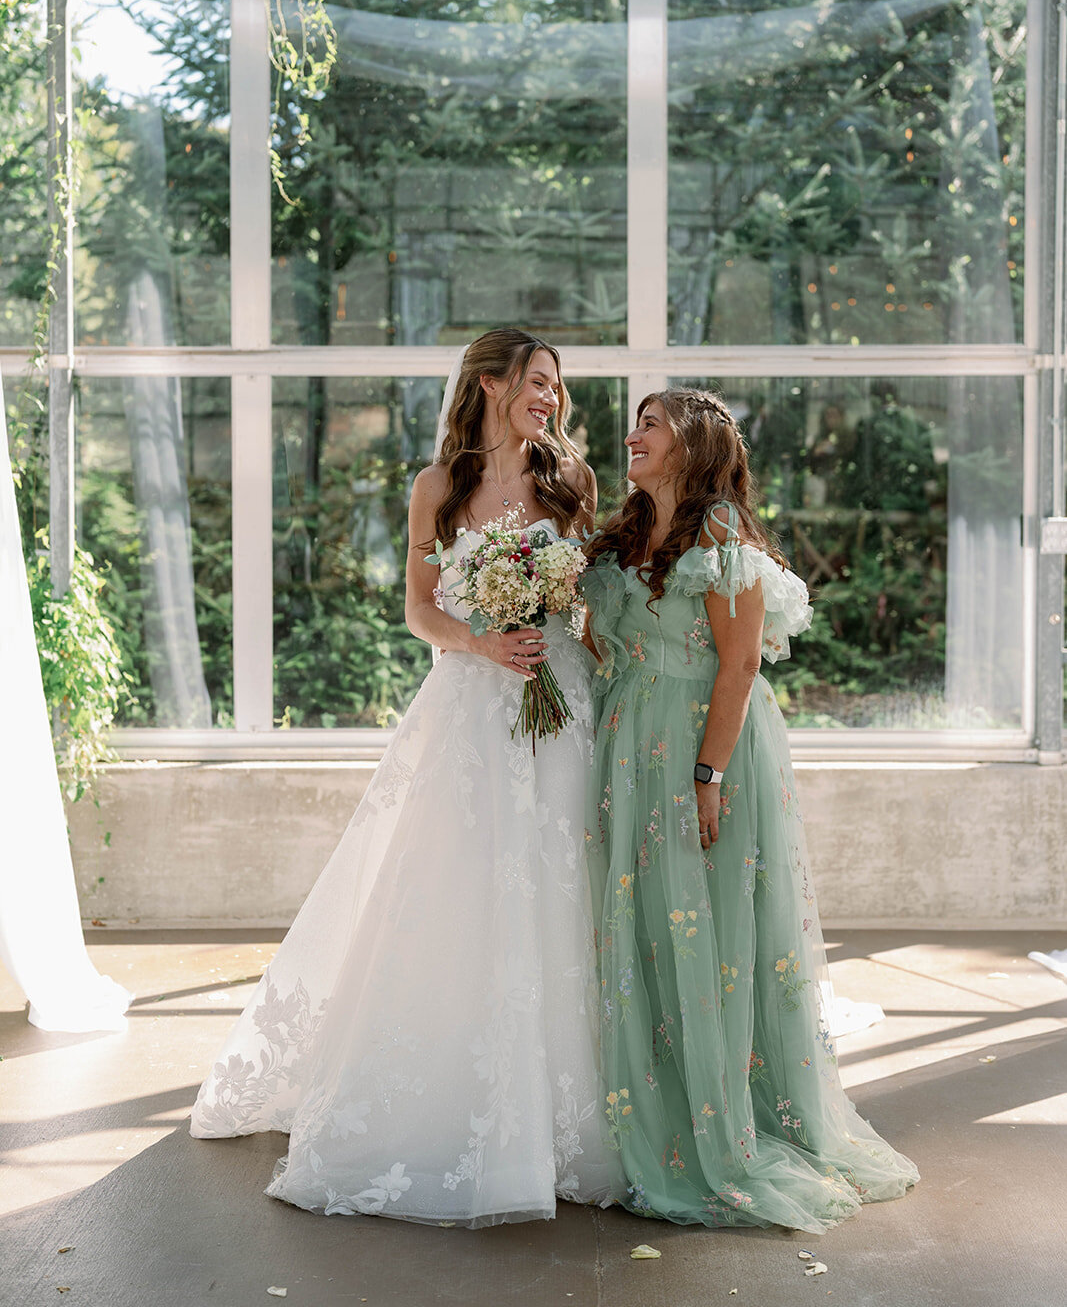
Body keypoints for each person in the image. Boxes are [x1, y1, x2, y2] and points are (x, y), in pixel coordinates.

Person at [191, 329, 618, 1225]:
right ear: (493, 383)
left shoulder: (569, 481)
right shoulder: (438, 488)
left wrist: (575, 644)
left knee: (561, 889)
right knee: (455, 893)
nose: (551, 398)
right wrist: (482, 639)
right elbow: (422, 611)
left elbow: (587, 599)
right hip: (468, 705)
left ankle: (571, 1107)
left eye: (556, 386)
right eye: (538, 381)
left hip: (557, 703)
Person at [581, 387, 918, 1232]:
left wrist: (706, 775)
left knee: (710, 927)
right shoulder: (622, 535)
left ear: (690, 444)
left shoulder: (722, 539)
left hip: (704, 743)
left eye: (648, 426)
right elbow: (601, 640)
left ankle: (720, 1127)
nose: (631, 437)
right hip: (627, 740)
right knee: (646, 926)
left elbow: (736, 669)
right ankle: (649, 1111)